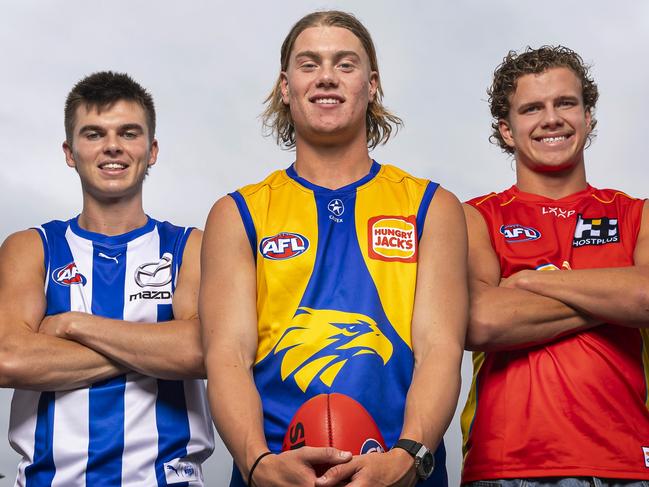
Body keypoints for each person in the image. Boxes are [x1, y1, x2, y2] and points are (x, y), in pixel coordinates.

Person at [200, 10, 467, 487]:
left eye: (345, 64)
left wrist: (407, 457)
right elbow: (227, 356)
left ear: (373, 84)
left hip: (398, 470)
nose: (326, 76)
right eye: (309, 64)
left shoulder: (432, 206)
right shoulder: (236, 213)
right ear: (285, 86)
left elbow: (439, 349)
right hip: (278, 470)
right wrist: (258, 463)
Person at [0, 72, 214, 485]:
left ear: (151, 151)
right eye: (94, 133)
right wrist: (155, 348)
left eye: (128, 133)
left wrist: (72, 325)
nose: (112, 146)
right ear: (70, 152)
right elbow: (9, 358)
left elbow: (202, 351)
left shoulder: (192, 247)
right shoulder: (31, 248)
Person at [461, 46, 649, 486]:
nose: (551, 119)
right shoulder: (474, 216)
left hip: (626, 462)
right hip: (507, 464)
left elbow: (647, 296)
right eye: (532, 108)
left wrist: (527, 282)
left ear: (588, 117)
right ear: (507, 130)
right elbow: (481, 321)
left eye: (566, 103)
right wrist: (613, 298)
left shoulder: (637, 214)